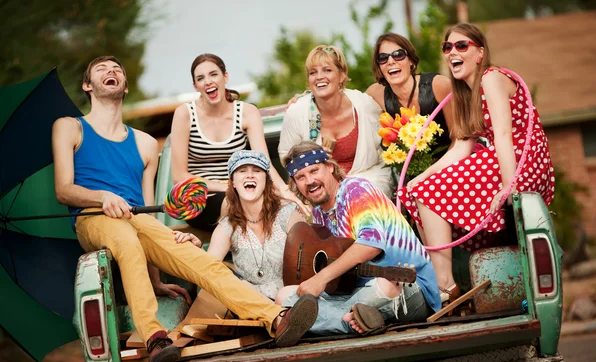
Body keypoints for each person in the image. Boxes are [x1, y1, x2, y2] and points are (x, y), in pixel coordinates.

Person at [52, 56, 318, 362]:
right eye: (101, 69)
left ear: (124, 87)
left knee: (202, 261)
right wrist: (102, 197)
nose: (111, 72)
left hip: (135, 219)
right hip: (92, 217)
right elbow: (63, 189)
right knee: (125, 240)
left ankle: (276, 317)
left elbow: (148, 220)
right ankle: (154, 337)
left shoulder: (146, 143)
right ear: (87, 85)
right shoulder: (70, 127)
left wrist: (156, 280)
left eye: (117, 70)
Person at [398, 23, 555, 304]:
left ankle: (444, 286)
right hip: (502, 157)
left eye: (461, 46)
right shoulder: (466, 92)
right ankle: (442, 281)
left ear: (480, 53)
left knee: (428, 193)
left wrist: (509, 188)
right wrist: (423, 175)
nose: (452, 52)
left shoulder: (491, 78)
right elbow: (462, 146)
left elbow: (504, 135)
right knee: (417, 190)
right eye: (447, 47)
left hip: (521, 159)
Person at [275, 142, 441, 336]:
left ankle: (336, 322)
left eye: (314, 171)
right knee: (284, 296)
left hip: (408, 289)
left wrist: (321, 278)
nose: (309, 181)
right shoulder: (319, 213)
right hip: (355, 294)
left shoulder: (357, 190)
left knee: (384, 285)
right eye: (300, 177)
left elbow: (370, 245)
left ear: (329, 167)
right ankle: (353, 321)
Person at [170, 53, 309, 232]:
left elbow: (264, 161)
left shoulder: (247, 112)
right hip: (200, 199)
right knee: (241, 204)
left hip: (243, 191)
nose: (208, 81)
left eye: (213, 74)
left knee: (287, 209)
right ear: (195, 86)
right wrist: (225, 186)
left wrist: (283, 189)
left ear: (225, 77)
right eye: (200, 78)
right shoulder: (184, 114)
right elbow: (179, 176)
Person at [175, 150, 305, 300]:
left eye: (256, 171)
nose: (250, 175)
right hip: (253, 305)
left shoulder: (287, 213)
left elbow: (310, 259)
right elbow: (207, 269)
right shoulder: (227, 227)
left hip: (294, 298)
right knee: (237, 283)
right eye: (242, 171)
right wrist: (196, 249)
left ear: (267, 181)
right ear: (233, 183)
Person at [278, 45, 393, 198]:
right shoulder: (297, 112)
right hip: (318, 190)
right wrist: (309, 156)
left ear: (342, 75)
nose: (319, 76)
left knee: (359, 201)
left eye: (327, 70)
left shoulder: (365, 106)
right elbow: (286, 157)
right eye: (313, 72)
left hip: (368, 180)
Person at [366, 32, 452, 157]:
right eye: (383, 58)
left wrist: (435, 172)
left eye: (398, 55)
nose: (390, 61)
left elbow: (460, 138)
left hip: (452, 162)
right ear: (379, 67)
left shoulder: (438, 85)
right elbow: (350, 109)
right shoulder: (376, 94)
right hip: (411, 170)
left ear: (411, 60)